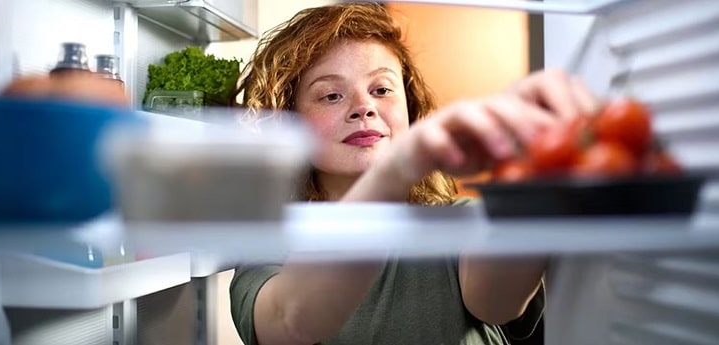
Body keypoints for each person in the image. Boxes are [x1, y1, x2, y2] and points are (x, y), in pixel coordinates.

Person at [230, 3, 600, 345]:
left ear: (411, 108)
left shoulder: (459, 220)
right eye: (331, 96)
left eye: (381, 89)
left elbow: (496, 304)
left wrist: (533, 162)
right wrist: (400, 166)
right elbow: (289, 321)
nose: (364, 108)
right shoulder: (269, 246)